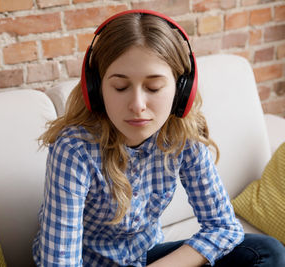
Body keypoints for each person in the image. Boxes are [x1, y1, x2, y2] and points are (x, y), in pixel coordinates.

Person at [32, 9, 285, 267]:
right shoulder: (74, 148)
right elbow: (60, 263)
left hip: (147, 259)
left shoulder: (183, 135)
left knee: (267, 251)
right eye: (120, 87)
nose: (138, 105)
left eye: (153, 88)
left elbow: (224, 227)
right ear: (96, 90)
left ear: (181, 90)